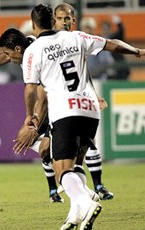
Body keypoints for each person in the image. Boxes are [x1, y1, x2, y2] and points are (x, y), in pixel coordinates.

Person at [21, 4, 145, 230]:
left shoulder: (35, 48)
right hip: (90, 109)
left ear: (33, 25)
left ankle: (86, 201)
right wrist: (137, 51)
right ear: (53, 21)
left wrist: (29, 118)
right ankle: (74, 216)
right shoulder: (77, 37)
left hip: (65, 111)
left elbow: (31, 89)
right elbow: (113, 45)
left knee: (61, 169)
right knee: (75, 165)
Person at [0, 21, 64, 204]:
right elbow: (4, 57)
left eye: (9, 52)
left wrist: (33, 124)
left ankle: (77, 186)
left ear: (18, 49)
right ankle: (54, 190)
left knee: (44, 146)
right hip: (46, 104)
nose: (8, 57)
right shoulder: (27, 43)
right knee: (38, 147)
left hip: (57, 104)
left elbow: (43, 99)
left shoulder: (36, 59)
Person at [54, 3, 114, 200]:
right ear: (54, 20)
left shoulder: (78, 39)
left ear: (73, 20)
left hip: (75, 102)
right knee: (50, 150)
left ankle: (89, 190)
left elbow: (82, 72)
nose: (64, 22)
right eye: (60, 18)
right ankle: (65, 188)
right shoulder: (46, 42)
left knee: (86, 147)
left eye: (67, 18)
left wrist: (93, 94)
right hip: (55, 102)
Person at [80, 16, 116, 80]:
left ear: (93, 29)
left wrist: (92, 74)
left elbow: (105, 63)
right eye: (85, 28)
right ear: (82, 29)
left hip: (97, 80)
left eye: (89, 28)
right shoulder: (77, 45)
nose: (87, 31)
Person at [100, 16, 130, 80]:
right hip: (104, 73)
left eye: (107, 29)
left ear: (110, 29)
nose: (105, 31)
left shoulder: (114, 39)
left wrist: (118, 22)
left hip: (119, 71)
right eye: (104, 29)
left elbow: (121, 31)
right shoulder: (99, 42)